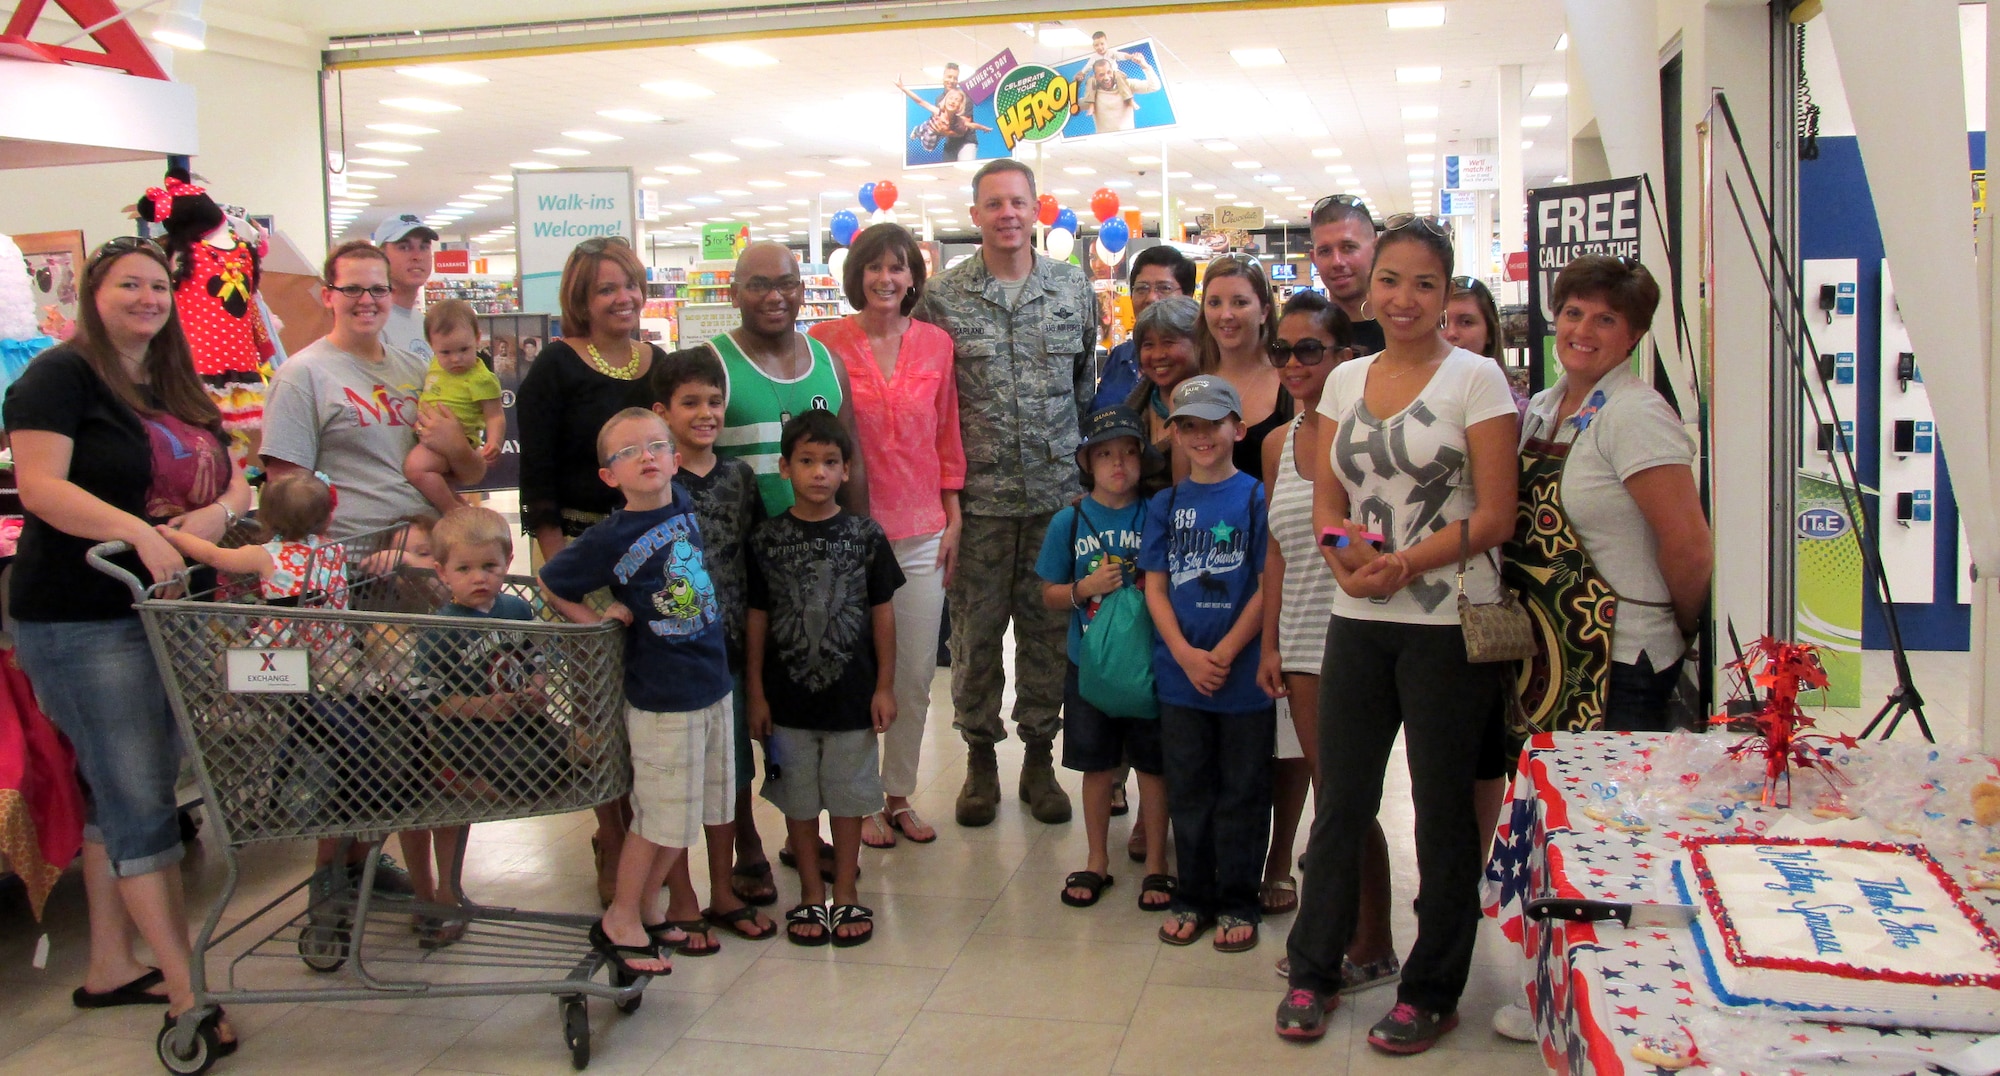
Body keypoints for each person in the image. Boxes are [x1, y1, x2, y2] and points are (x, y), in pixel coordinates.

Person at [1277, 215, 1520, 1054]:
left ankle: (1433, 987)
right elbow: (1328, 500)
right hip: (1358, 618)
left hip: (1447, 624)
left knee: (1444, 812)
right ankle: (1315, 967)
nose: (1405, 298)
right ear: (1370, 289)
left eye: (1425, 283)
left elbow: (1495, 514)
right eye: (1390, 281)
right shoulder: (1344, 382)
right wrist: (1353, 565)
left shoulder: (1476, 380)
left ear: (1448, 292)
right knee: (1341, 801)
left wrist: (1408, 563)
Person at [6, 235, 250, 1053]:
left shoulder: (173, 377)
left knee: (128, 788)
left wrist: (214, 517)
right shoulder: (58, 375)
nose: (147, 298)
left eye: (157, 286)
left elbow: (235, 470)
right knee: (140, 795)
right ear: (92, 293)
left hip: (167, 613)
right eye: (128, 285)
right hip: (84, 615)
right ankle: (187, 996)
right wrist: (136, 534)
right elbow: (40, 486)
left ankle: (110, 964)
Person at [1488, 257, 1712, 1043]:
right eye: (1573, 312)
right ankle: (1559, 982)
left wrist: (1677, 629)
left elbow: (1688, 546)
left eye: (1605, 320)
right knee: (1557, 828)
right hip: (1549, 661)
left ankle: (1627, 1002)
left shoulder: (1637, 415)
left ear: (1636, 335)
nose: (1583, 330)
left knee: (1614, 839)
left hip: (1623, 659)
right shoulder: (1545, 407)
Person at [262, 238, 456, 900]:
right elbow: (286, 494)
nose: (369, 300)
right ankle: (331, 874)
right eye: (355, 289)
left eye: (379, 288)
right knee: (355, 734)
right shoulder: (304, 376)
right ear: (329, 295)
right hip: (348, 579)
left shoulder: (415, 367)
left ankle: (371, 860)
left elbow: (444, 461)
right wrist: (338, 560)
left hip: (419, 568)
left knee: (416, 728)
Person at [915, 158, 1100, 828]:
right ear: (976, 216)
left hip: (1056, 500)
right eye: (993, 204)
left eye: (1018, 202)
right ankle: (979, 759)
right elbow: (934, 403)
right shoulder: (942, 298)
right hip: (980, 504)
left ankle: (1040, 759)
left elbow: (1085, 382)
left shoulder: (1072, 288)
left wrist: (1081, 479)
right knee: (975, 638)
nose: (1007, 215)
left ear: (1035, 209)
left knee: (1049, 634)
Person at [540, 408, 735, 980]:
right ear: (609, 476)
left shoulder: (682, 505)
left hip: (711, 682)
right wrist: (598, 616)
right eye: (629, 452)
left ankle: (648, 907)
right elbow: (553, 582)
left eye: (656, 445)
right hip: (661, 698)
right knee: (658, 818)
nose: (647, 457)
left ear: (676, 458)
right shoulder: (610, 535)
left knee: (692, 811)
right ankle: (621, 917)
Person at [516, 235, 665, 906]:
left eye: (629, 284)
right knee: (601, 709)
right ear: (580, 298)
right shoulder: (554, 368)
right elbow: (537, 482)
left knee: (651, 702)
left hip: (656, 552)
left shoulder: (656, 363)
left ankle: (650, 835)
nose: (622, 298)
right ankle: (613, 831)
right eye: (606, 288)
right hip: (582, 550)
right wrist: (561, 579)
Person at [808, 223, 963, 850]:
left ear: (913, 277)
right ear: (857, 276)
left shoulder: (936, 344)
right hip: (846, 534)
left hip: (923, 530)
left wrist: (954, 516)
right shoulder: (823, 342)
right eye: (874, 268)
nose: (886, 279)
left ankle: (899, 794)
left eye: (898, 268)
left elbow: (946, 433)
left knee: (915, 672)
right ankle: (857, 799)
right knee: (850, 671)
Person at [746, 411, 904, 946]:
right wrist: (756, 692)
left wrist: (884, 685)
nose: (818, 473)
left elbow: (883, 613)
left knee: (849, 796)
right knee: (798, 800)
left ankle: (847, 892)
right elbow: (758, 620)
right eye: (806, 461)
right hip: (786, 701)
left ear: (846, 470)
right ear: (784, 467)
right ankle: (811, 895)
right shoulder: (766, 540)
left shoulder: (866, 536)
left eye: (830, 463)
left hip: (851, 698)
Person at [647, 349, 778, 946]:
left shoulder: (737, 479)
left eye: (714, 402)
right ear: (661, 412)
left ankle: (724, 886)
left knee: (730, 772)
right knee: (673, 778)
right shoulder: (652, 482)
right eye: (690, 403)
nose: (706, 414)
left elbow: (753, 567)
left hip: (727, 651)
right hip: (668, 655)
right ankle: (682, 896)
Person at [1140, 376, 1273, 953]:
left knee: (1244, 790)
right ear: (1173, 434)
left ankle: (1240, 897)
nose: (1200, 437)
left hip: (1243, 680)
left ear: (1237, 429)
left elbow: (1269, 584)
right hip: (1180, 679)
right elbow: (1155, 589)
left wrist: (1224, 652)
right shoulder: (1165, 505)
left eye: (1212, 424)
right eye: (1187, 426)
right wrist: (1187, 655)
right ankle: (1193, 892)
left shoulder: (1254, 497)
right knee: (1189, 790)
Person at [1036, 406, 1171, 912]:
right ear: (1087, 462)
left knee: (1154, 769)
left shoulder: (1157, 512)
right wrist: (1081, 588)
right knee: (1096, 767)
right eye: (1106, 454)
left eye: (1130, 453)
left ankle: (1157, 863)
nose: (1119, 464)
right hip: (1088, 666)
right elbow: (1047, 592)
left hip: (1150, 664)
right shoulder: (1068, 521)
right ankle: (1097, 859)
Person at [402, 506, 538, 950]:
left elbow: (537, 658)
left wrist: (535, 686)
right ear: (442, 572)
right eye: (464, 569)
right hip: (461, 738)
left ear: (507, 562)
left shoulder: (516, 610)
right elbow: (424, 696)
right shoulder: (441, 631)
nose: (478, 578)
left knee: (560, 755)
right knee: (468, 798)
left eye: (489, 567)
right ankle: (438, 892)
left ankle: (448, 888)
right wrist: (477, 706)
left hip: (516, 726)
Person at [1253, 292, 1346, 926]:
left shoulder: (1365, 435)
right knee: (1297, 764)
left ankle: (1345, 924)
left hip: (1358, 629)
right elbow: (1277, 550)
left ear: (1344, 355)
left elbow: (1367, 533)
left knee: (1341, 789)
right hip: (1298, 633)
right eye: (1281, 350)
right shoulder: (1277, 443)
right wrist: (1269, 642)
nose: (1293, 362)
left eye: (1308, 349)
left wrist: (1335, 534)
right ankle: (1283, 864)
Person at [404, 299, 503, 515]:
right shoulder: (434, 365)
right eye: (446, 352)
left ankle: (452, 510)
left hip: (460, 438)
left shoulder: (481, 378)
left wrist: (494, 442)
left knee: (415, 468)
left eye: (464, 349)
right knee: (438, 478)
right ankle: (456, 504)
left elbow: (494, 415)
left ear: (478, 338)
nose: (456, 359)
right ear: (431, 346)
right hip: (430, 437)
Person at [1194, 255, 1288, 478]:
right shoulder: (1194, 386)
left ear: (1264, 312)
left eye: (1240, 302)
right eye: (1215, 303)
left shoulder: (1290, 383)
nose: (1226, 315)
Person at [1093, 245, 1195, 411]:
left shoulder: (1199, 357)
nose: (1151, 298)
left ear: (1188, 295)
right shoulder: (1120, 357)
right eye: (1142, 289)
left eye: (1164, 288)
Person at [1123, 295, 1202, 485]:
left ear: (1199, 343)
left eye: (1168, 342)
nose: (1158, 355)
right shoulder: (1131, 409)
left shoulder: (1217, 408)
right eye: (1148, 345)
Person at [1309, 194, 1386, 355]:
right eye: (1325, 251)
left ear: (1376, 249)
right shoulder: (1305, 340)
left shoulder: (1403, 331)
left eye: (1348, 247)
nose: (1337, 262)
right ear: (1313, 258)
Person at [1443, 275, 1523, 415]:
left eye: (1466, 322)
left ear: (1490, 333)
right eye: (1442, 323)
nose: (1451, 333)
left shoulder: (1516, 411)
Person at [372, 213, 438, 361]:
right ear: (381, 256)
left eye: (424, 247)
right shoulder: (373, 325)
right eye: (404, 247)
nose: (417, 256)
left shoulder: (423, 323)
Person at [898, 71, 990, 163]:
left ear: (960, 106)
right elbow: (920, 101)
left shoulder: (958, 119)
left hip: (937, 136)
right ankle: (917, 130)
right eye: (950, 98)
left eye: (956, 100)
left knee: (929, 146)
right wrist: (903, 88)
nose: (953, 101)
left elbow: (971, 125)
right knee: (922, 130)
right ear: (945, 101)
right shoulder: (938, 111)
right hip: (928, 127)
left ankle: (925, 135)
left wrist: (984, 128)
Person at [1075, 42, 1161, 134]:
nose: (1106, 77)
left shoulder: (1127, 84)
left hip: (1128, 140)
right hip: (1104, 143)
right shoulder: (1092, 94)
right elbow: (1071, 106)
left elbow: (1154, 87)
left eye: (1109, 72)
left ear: (1113, 71)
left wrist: (1144, 65)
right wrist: (1077, 84)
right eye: (1101, 75)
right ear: (1095, 77)